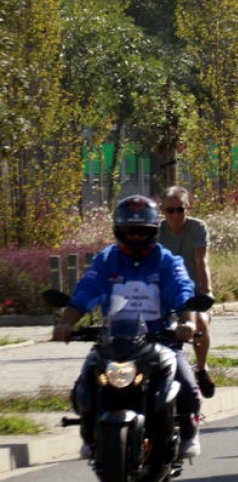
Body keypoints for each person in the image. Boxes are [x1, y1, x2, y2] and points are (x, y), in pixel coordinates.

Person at [52, 195, 203, 459]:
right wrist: (66, 323)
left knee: (187, 385)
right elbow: (87, 290)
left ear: (154, 231)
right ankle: (90, 432)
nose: (135, 237)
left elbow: (182, 289)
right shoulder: (106, 260)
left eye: (141, 231)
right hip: (114, 341)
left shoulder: (167, 260)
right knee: (85, 385)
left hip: (159, 341)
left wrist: (187, 321)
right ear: (118, 231)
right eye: (129, 231)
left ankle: (189, 432)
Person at [158, 186, 216, 398]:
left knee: (200, 322)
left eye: (179, 210)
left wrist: (206, 291)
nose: (175, 215)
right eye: (169, 211)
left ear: (187, 208)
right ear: (162, 211)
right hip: (164, 295)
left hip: (192, 293)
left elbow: (202, 261)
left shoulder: (197, 228)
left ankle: (201, 368)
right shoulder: (157, 231)